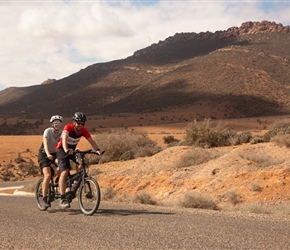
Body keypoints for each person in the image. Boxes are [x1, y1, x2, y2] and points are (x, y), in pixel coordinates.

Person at [56, 112, 102, 208]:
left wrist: (97, 150)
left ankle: (75, 182)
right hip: (62, 149)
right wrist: (66, 149)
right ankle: (62, 198)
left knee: (82, 162)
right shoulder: (68, 127)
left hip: (72, 151)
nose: (80, 125)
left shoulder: (83, 130)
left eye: (82, 123)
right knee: (64, 172)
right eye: (78, 123)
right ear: (74, 122)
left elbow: (91, 140)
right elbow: (64, 139)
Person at [38, 115, 63, 208]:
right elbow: (45, 144)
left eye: (59, 123)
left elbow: (64, 144)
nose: (57, 125)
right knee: (47, 175)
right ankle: (44, 198)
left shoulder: (61, 133)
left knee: (62, 165)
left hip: (55, 153)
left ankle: (57, 179)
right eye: (55, 123)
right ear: (52, 124)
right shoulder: (47, 131)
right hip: (44, 154)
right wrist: (48, 154)